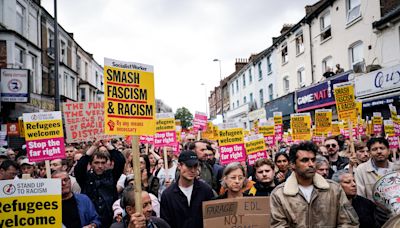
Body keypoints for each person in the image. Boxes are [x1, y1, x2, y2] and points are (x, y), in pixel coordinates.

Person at [270, 141, 359, 227]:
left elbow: (348, 222)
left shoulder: (333, 189)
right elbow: (279, 225)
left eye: (313, 160)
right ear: (292, 164)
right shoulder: (280, 194)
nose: (311, 164)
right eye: (305, 160)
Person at [75, 139, 125, 228]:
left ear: (107, 164)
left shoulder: (112, 176)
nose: (100, 166)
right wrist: (94, 146)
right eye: (96, 163)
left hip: (110, 220)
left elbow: (120, 161)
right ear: (91, 164)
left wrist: (107, 144)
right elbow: (79, 167)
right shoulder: (85, 178)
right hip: (91, 221)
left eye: (103, 163)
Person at [160, 150, 214, 228]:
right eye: (189, 166)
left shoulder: (206, 190)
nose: (192, 170)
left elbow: (211, 220)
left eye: (195, 166)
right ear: (179, 166)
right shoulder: (168, 195)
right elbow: (165, 224)